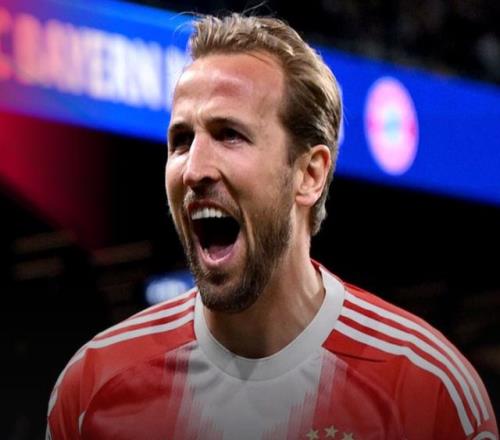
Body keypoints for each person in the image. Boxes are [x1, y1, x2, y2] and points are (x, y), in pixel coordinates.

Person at [47, 12, 498, 440]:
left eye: (229, 134)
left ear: (310, 175)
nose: (194, 169)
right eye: (181, 140)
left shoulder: (426, 390)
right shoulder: (92, 388)